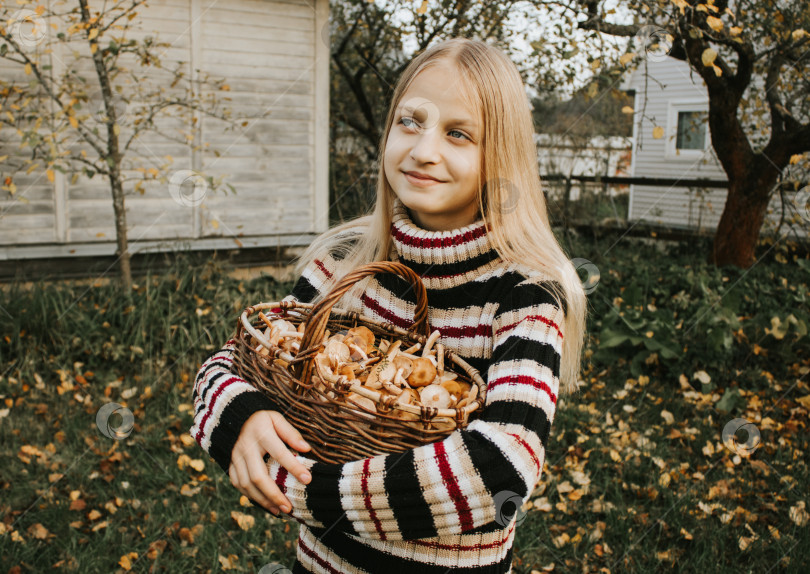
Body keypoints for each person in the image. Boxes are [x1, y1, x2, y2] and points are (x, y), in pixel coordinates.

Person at [191, 37, 587, 573]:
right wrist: (240, 419)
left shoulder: (523, 293)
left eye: (458, 133)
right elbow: (235, 359)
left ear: (500, 155)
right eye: (410, 122)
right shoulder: (343, 262)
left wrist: (311, 492)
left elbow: (502, 464)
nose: (424, 149)